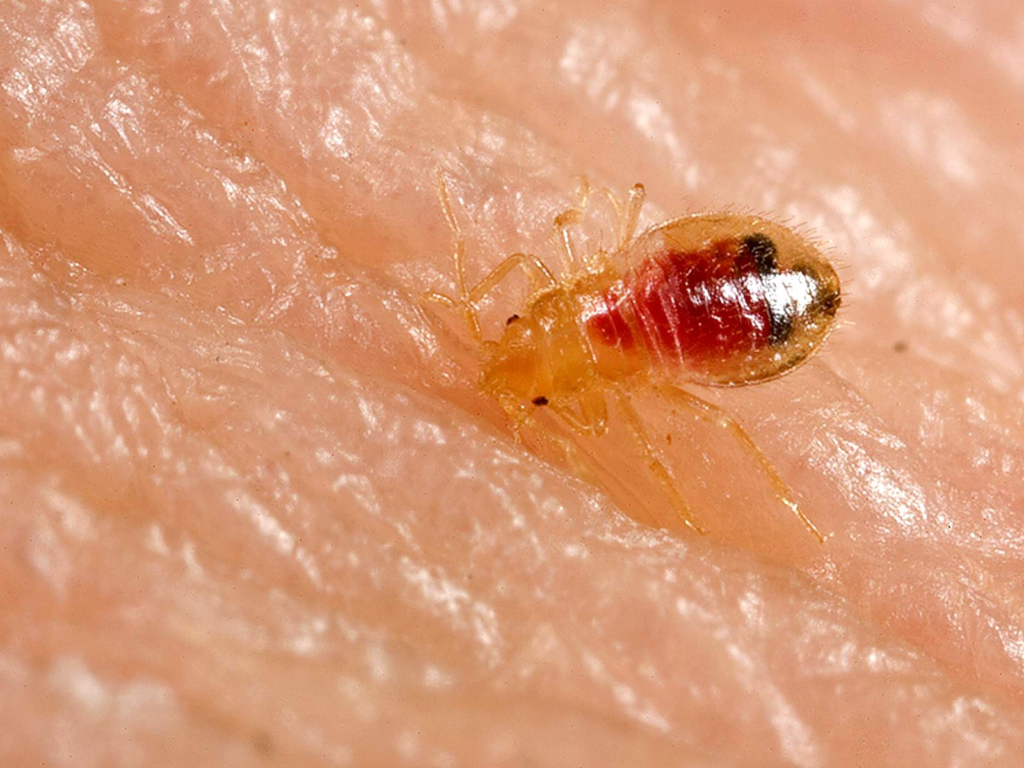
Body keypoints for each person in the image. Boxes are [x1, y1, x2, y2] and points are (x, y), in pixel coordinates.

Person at [1, 1, 1022, 764]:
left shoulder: (592, 311)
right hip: (699, 298)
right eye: (533, 369)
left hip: (706, 302)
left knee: (681, 423)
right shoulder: (589, 303)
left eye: (529, 365)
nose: (521, 361)